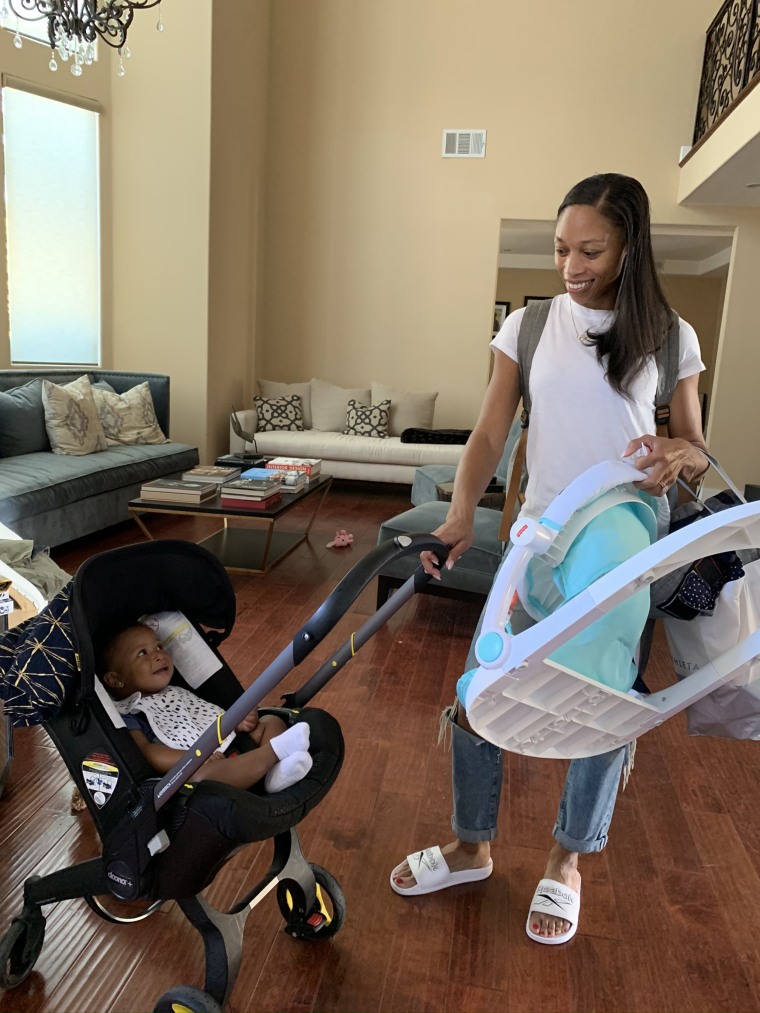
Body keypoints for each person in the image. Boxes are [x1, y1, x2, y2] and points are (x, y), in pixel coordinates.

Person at [390, 173, 709, 944]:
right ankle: (472, 844)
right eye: (562, 248)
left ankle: (568, 861)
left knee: (603, 697)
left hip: (624, 529)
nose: (571, 263)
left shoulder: (672, 334)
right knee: (481, 686)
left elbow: (696, 449)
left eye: (591, 249)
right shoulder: (529, 329)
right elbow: (490, 434)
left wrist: (677, 451)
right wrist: (463, 513)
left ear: (630, 245)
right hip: (538, 531)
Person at [100, 622, 312, 793]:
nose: (158, 654)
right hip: (203, 766)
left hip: (231, 749)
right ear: (116, 680)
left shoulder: (176, 693)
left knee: (270, 722)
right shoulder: (131, 712)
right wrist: (192, 759)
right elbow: (149, 752)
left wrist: (236, 723)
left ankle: (275, 775)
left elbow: (206, 718)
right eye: (142, 653)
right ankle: (276, 753)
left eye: (159, 646)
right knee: (203, 779)